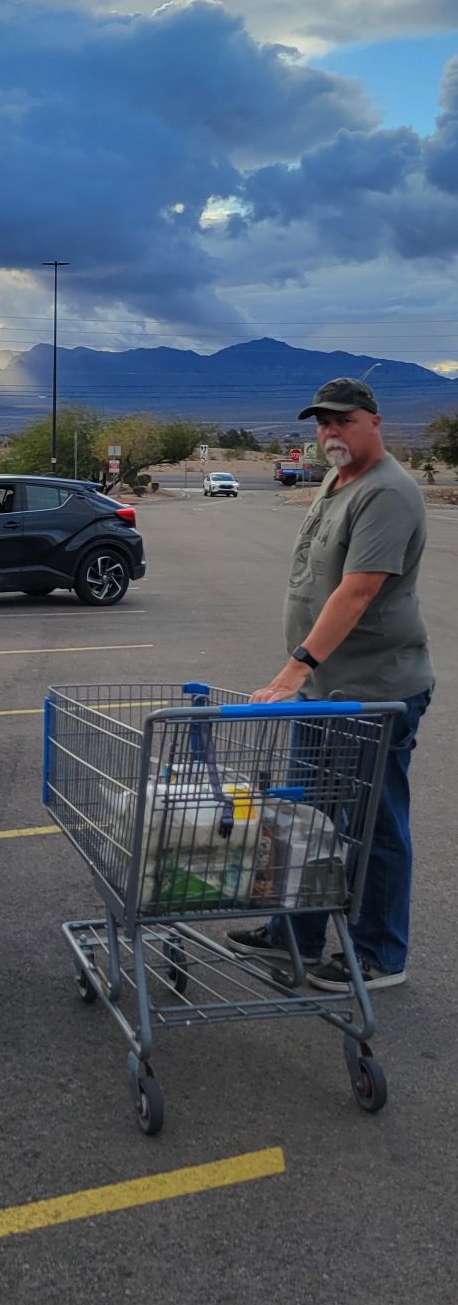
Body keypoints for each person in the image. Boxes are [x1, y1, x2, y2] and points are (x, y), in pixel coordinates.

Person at [229, 377, 433, 991]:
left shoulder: (387, 492)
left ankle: (379, 954)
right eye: (322, 423)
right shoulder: (336, 480)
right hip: (327, 689)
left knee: (374, 826)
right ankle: (295, 934)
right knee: (309, 819)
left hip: (374, 691)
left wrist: (295, 668)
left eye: (342, 420)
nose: (331, 432)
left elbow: (359, 590)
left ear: (374, 421)